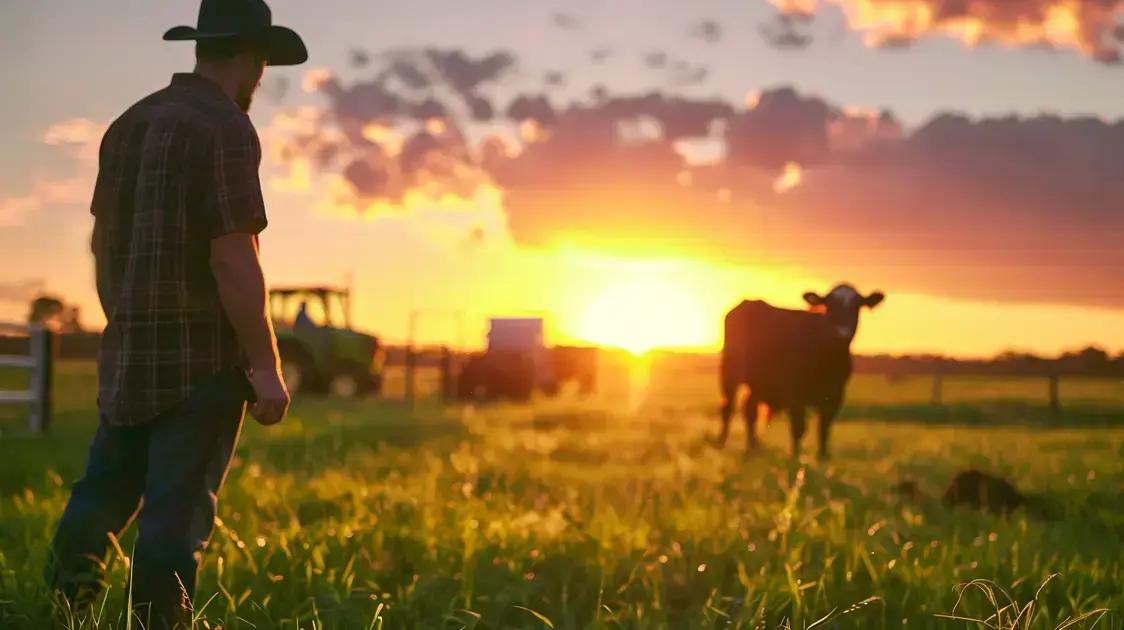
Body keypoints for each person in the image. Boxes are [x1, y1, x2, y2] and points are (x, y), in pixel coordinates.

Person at [44, 1, 307, 627]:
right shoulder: (225, 127)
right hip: (202, 362)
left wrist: (124, 317)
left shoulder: (127, 125)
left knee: (101, 494)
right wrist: (266, 367)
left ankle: (58, 611)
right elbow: (232, 256)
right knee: (174, 518)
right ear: (252, 58)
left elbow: (102, 244)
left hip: (130, 350)